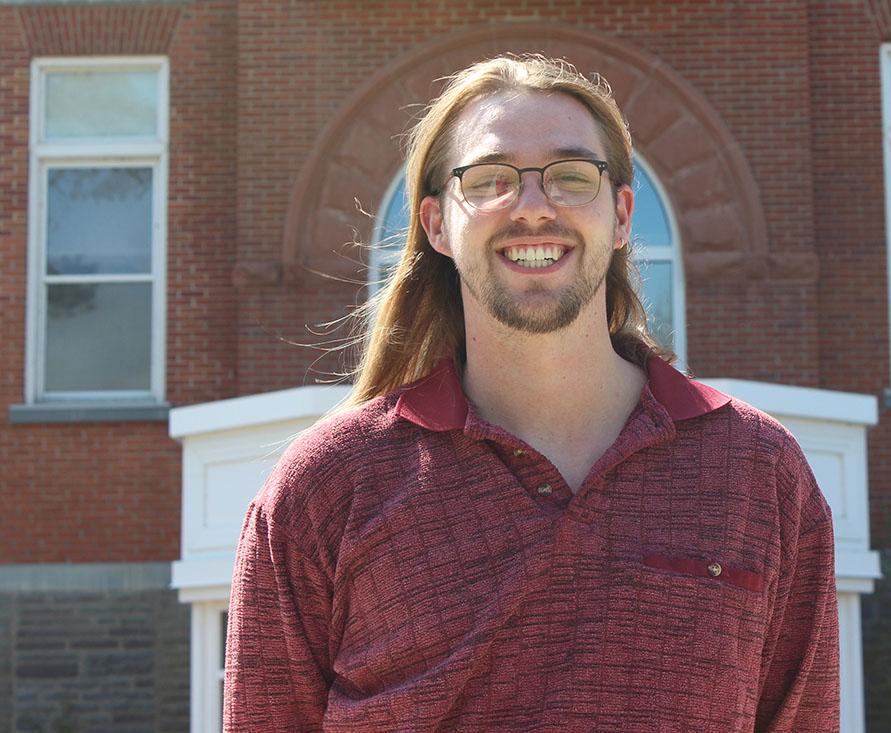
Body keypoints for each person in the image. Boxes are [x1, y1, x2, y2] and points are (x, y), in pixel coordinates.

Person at [223, 55, 839, 732]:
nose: (534, 206)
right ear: (436, 224)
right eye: (490, 180)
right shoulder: (324, 489)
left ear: (622, 215)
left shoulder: (760, 473)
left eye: (571, 177)